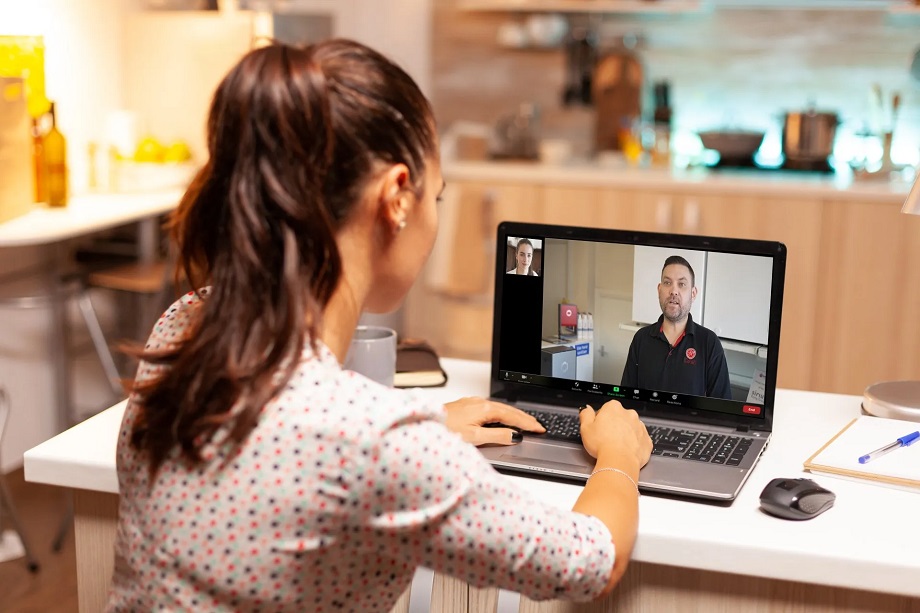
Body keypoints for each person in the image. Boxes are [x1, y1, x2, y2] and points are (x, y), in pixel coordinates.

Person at [106, 40, 651, 612]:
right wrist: (617, 458)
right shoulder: (374, 444)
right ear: (396, 198)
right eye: (435, 195)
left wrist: (427, 425)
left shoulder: (180, 325)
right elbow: (591, 561)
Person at [621, 255, 732, 399]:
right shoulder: (641, 339)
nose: (673, 291)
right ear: (659, 290)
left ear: (693, 294)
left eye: (682, 284)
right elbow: (625, 399)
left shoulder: (709, 343)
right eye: (667, 283)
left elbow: (722, 407)